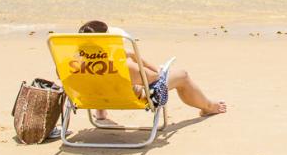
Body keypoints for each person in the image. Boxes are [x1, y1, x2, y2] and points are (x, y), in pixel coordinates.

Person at [78, 20, 227, 120]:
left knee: (97, 79)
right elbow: (154, 78)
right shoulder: (122, 66)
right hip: (130, 97)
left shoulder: (72, 64)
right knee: (183, 75)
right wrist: (134, 57)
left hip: (94, 97)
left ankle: (100, 111)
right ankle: (209, 106)